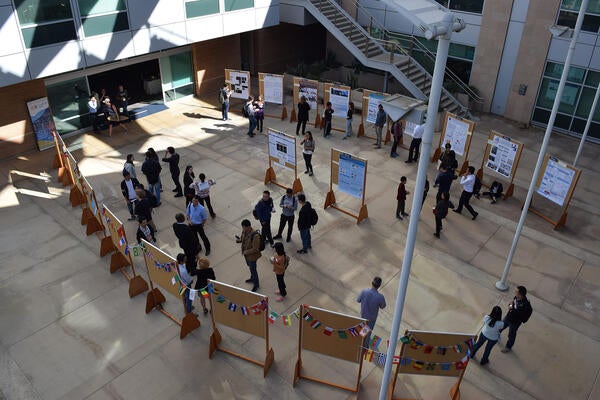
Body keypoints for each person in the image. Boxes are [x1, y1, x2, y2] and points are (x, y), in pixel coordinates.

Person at [500, 285, 532, 353]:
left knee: (511, 335)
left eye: (516, 291)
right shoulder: (516, 297)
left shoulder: (524, 305)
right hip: (508, 317)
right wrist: (511, 305)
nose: (514, 292)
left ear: (520, 295)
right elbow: (512, 304)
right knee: (501, 326)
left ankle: (508, 347)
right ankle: (495, 335)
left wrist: (511, 307)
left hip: (514, 322)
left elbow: (517, 314)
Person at [357, 276, 386, 346]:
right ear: (379, 286)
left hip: (363, 316)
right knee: (367, 334)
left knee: (362, 330)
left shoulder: (364, 291)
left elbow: (358, 300)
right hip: (372, 319)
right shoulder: (380, 297)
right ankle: (364, 347)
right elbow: (383, 306)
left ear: (372, 283)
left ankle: (361, 342)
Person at [238, 219, 262, 292]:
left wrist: (245, 252)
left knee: (253, 270)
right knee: (250, 267)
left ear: (248, 227)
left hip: (252, 256)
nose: (243, 229)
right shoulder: (245, 231)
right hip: (246, 255)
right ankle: (252, 278)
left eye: (243, 227)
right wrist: (239, 240)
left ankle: (256, 284)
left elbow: (255, 249)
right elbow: (243, 238)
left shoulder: (255, 236)